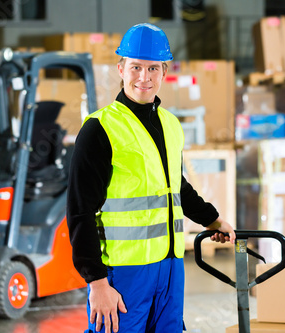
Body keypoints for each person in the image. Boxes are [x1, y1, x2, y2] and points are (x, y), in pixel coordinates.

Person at [66, 23, 236, 333]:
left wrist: (212, 219)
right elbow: (80, 210)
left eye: (153, 68)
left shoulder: (170, 124)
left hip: (170, 266)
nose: (144, 77)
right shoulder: (99, 129)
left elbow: (175, 186)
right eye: (136, 67)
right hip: (124, 272)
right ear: (121, 68)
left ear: (164, 72)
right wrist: (97, 282)